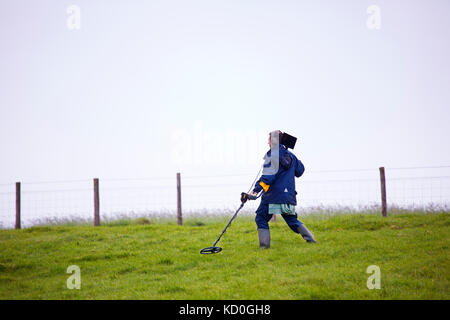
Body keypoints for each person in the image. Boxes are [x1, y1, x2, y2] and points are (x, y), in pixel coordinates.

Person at [248, 130, 316, 248]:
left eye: (269, 139)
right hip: (288, 196)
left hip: (272, 197)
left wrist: (256, 190)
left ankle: (264, 247)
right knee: (292, 220)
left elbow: (268, 177)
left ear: (273, 140)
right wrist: (289, 154)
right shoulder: (291, 156)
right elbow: (300, 171)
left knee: (261, 218)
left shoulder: (273, 155)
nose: (267, 142)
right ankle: (311, 239)